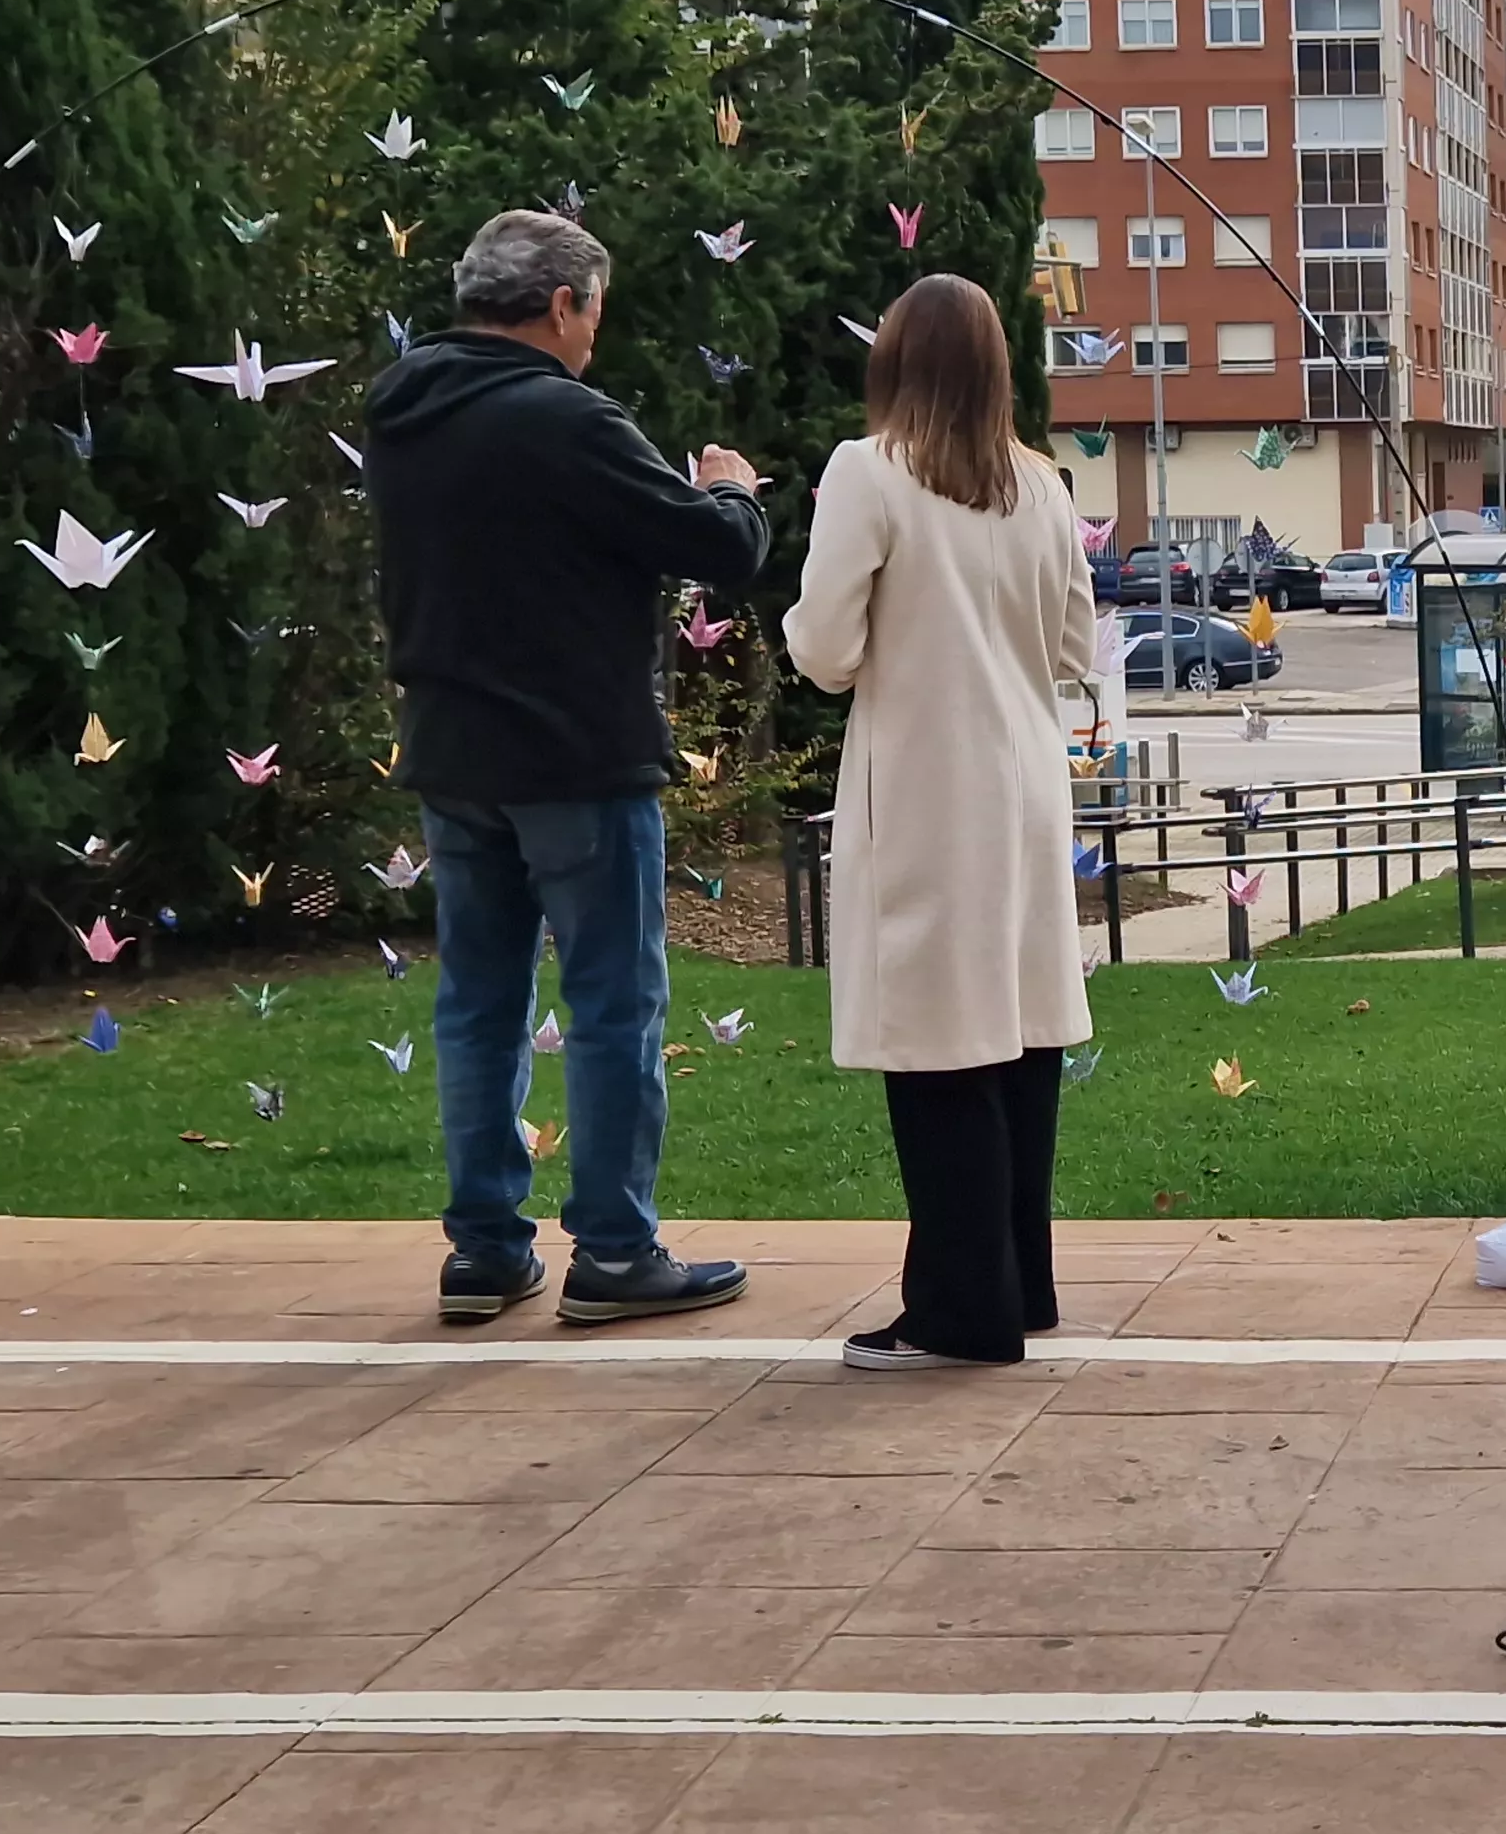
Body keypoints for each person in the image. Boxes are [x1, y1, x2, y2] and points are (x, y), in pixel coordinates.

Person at [373, 210, 768, 1326]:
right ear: (560, 306)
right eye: (594, 308)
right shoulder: (567, 417)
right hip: (577, 756)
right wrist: (733, 487)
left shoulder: (402, 409)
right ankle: (613, 1249)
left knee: (478, 1006)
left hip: (453, 750)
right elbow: (719, 551)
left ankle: (485, 1249)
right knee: (611, 1003)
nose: (596, 330)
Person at [783, 275, 1098, 1369]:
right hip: (1023, 777)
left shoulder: (867, 471)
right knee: (1018, 1032)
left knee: (937, 1045)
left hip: (924, 783)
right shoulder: (1043, 485)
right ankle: (1019, 1278)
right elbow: (1072, 652)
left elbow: (822, 652)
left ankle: (963, 1305)